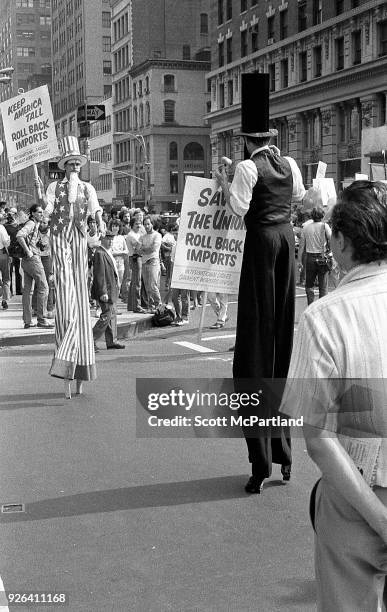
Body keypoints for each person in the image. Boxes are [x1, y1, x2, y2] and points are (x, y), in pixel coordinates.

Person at [280, 180, 387, 611]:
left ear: (340, 242)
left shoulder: (323, 316)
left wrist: (378, 518)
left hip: (357, 494)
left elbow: (318, 437)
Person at [215, 73, 306, 494]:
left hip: (262, 245)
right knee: (280, 344)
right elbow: (303, 198)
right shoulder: (289, 165)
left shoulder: (248, 167)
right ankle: (284, 458)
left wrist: (222, 181)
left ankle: (262, 463)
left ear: (246, 141)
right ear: (268, 136)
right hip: (286, 241)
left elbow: (238, 209)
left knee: (254, 349)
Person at [35, 136, 104, 399]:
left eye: (77, 163)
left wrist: (100, 222)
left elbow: (96, 210)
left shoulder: (88, 188)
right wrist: (41, 197)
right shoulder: (55, 187)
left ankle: (80, 373)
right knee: (66, 301)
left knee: (82, 301)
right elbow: (49, 209)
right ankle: (66, 354)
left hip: (80, 238)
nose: (75, 167)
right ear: (64, 166)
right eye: (71, 164)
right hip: (59, 236)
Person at [16, 204, 54, 329]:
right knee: (44, 287)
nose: (41, 214)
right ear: (32, 213)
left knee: (28, 291)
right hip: (33, 260)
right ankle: (41, 319)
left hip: (26, 261)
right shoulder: (31, 224)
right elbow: (20, 235)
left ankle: (27, 320)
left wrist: (37, 245)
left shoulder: (34, 224)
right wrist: (28, 251)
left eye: (41, 212)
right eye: (38, 212)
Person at [91, 230, 125, 351]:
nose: (110, 241)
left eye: (112, 239)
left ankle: (112, 341)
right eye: (108, 239)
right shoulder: (100, 253)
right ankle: (91, 340)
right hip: (106, 291)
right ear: (102, 239)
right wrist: (103, 292)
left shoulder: (106, 252)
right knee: (106, 315)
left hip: (112, 289)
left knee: (112, 315)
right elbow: (99, 275)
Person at [299, 206, 332, 305]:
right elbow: (331, 239)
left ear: (312, 216)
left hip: (310, 258)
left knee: (309, 285)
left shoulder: (306, 227)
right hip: (322, 257)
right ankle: (321, 307)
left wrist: (300, 261)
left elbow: (301, 247)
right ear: (322, 215)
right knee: (323, 286)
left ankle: (310, 305)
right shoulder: (324, 226)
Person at [139, 215, 162, 312]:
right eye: (145, 224)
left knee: (153, 285)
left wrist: (144, 249)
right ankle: (151, 306)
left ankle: (159, 305)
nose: (147, 226)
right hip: (144, 262)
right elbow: (138, 250)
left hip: (153, 262)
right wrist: (145, 249)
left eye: (148, 224)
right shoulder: (142, 237)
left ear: (152, 224)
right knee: (147, 287)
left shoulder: (157, 235)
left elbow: (153, 249)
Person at [126, 217, 146, 313]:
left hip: (137, 258)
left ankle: (131, 306)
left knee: (134, 282)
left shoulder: (138, 234)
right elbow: (139, 247)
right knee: (137, 283)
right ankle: (137, 306)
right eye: (136, 224)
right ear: (132, 225)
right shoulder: (131, 235)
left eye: (140, 223)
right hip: (135, 258)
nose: (139, 226)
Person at [4, 208, 23, 296]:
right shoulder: (5, 226)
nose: (11, 216)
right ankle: (10, 291)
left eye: (13, 214)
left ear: (16, 215)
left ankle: (19, 290)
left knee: (18, 271)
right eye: (10, 215)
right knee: (10, 271)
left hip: (18, 251)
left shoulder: (18, 226)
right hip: (9, 251)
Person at [0, 218, 10, 309]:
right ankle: (5, 300)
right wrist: (9, 253)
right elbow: (5, 242)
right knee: (6, 278)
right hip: (2, 253)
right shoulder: (1, 228)